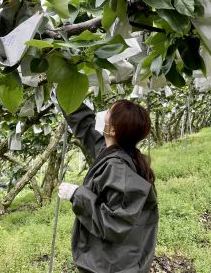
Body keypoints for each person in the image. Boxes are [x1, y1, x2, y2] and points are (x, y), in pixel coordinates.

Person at [58, 99, 159, 273]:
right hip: (116, 260)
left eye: (109, 113)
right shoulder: (118, 151)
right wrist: (64, 97)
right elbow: (87, 128)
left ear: (113, 130)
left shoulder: (118, 169)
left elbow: (115, 223)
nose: (103, 114)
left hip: (113, 265)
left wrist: (77, 194)